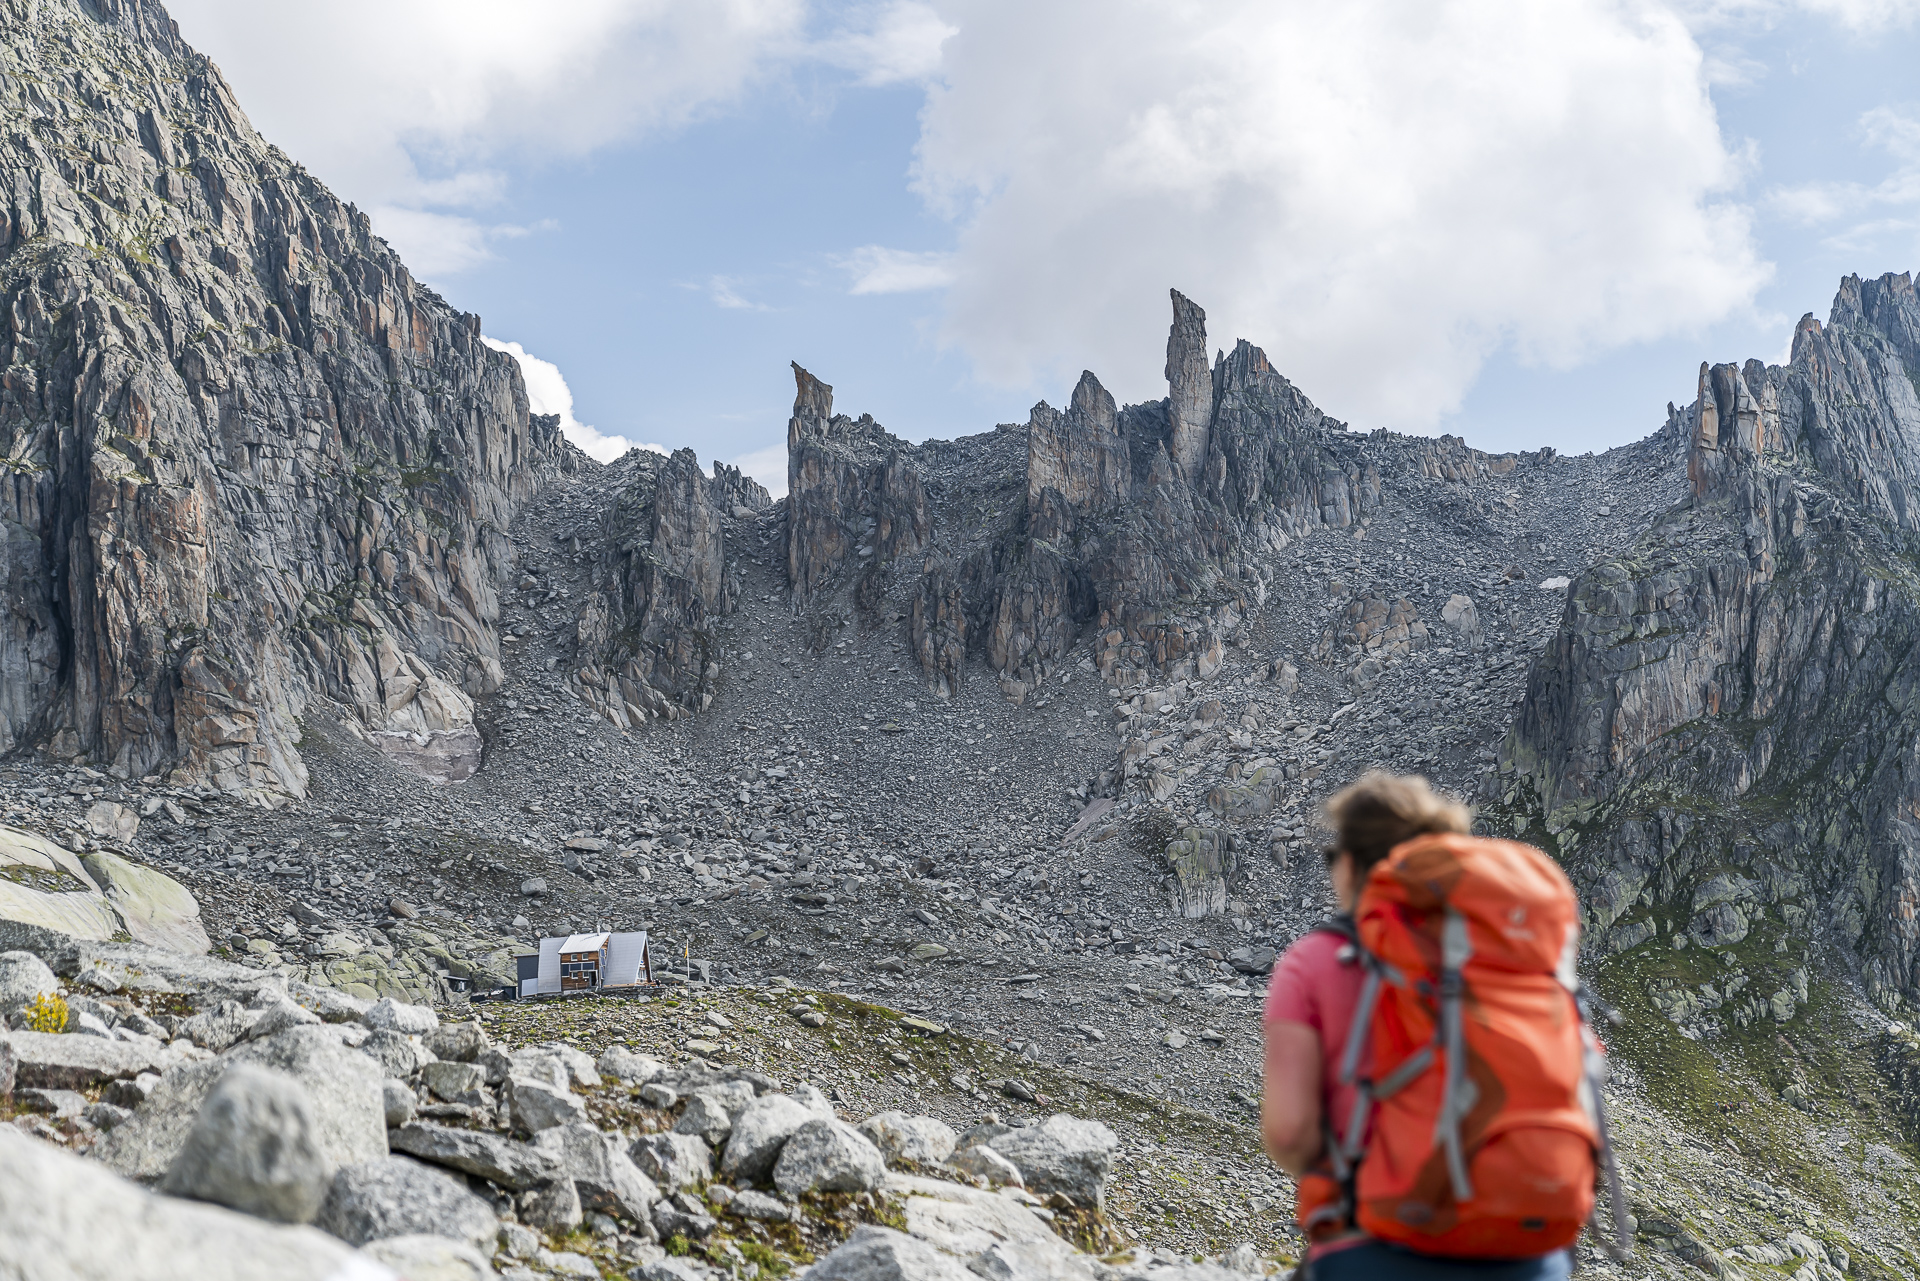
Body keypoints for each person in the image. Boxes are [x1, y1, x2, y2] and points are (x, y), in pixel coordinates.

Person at [1260, 772, 1574, 1280]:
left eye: (1330, 858)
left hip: (1379, 1253)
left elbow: (1289, 1132)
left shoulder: (1316, 961)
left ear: (1350, 866)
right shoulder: (1507, 958)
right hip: (1532, 1257)